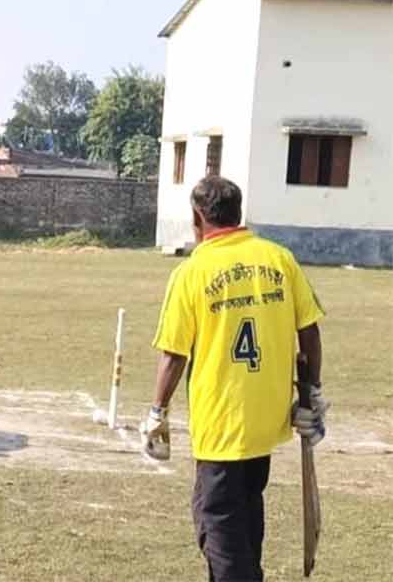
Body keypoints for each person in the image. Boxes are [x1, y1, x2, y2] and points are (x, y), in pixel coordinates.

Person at [141, 176, 329, 582]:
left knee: (220, 528)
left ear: (197, 218)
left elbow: (174, 353)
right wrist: (311, 390)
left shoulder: (192, 272)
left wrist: (157, 410)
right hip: (264, 421)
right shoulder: (279, 259)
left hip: (221, 422)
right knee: (243, 517)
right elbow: (309, 330)